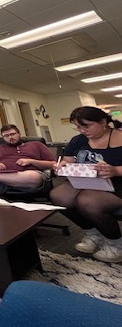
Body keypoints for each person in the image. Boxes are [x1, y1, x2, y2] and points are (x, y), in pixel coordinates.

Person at [50, 107, 122, 263]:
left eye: (86, 126)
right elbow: (68, 160)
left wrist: (115, 170)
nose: (82, 130)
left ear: (103, 122)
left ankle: (116, 244)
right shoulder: (78, 140)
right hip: (85, 180)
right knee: (58, 196)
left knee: (87, 201)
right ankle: (94, 233)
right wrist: (62, 165)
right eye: (78, 127)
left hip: (117, 184)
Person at [0, 124, 56, 197]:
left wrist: (31, 161)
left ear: (19, 134)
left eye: (12, 134)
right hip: (1, 181)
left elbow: (53, 164)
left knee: (33, 176)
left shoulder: (36, 145)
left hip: (27, 180)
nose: (10, 137)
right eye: (6, 136)